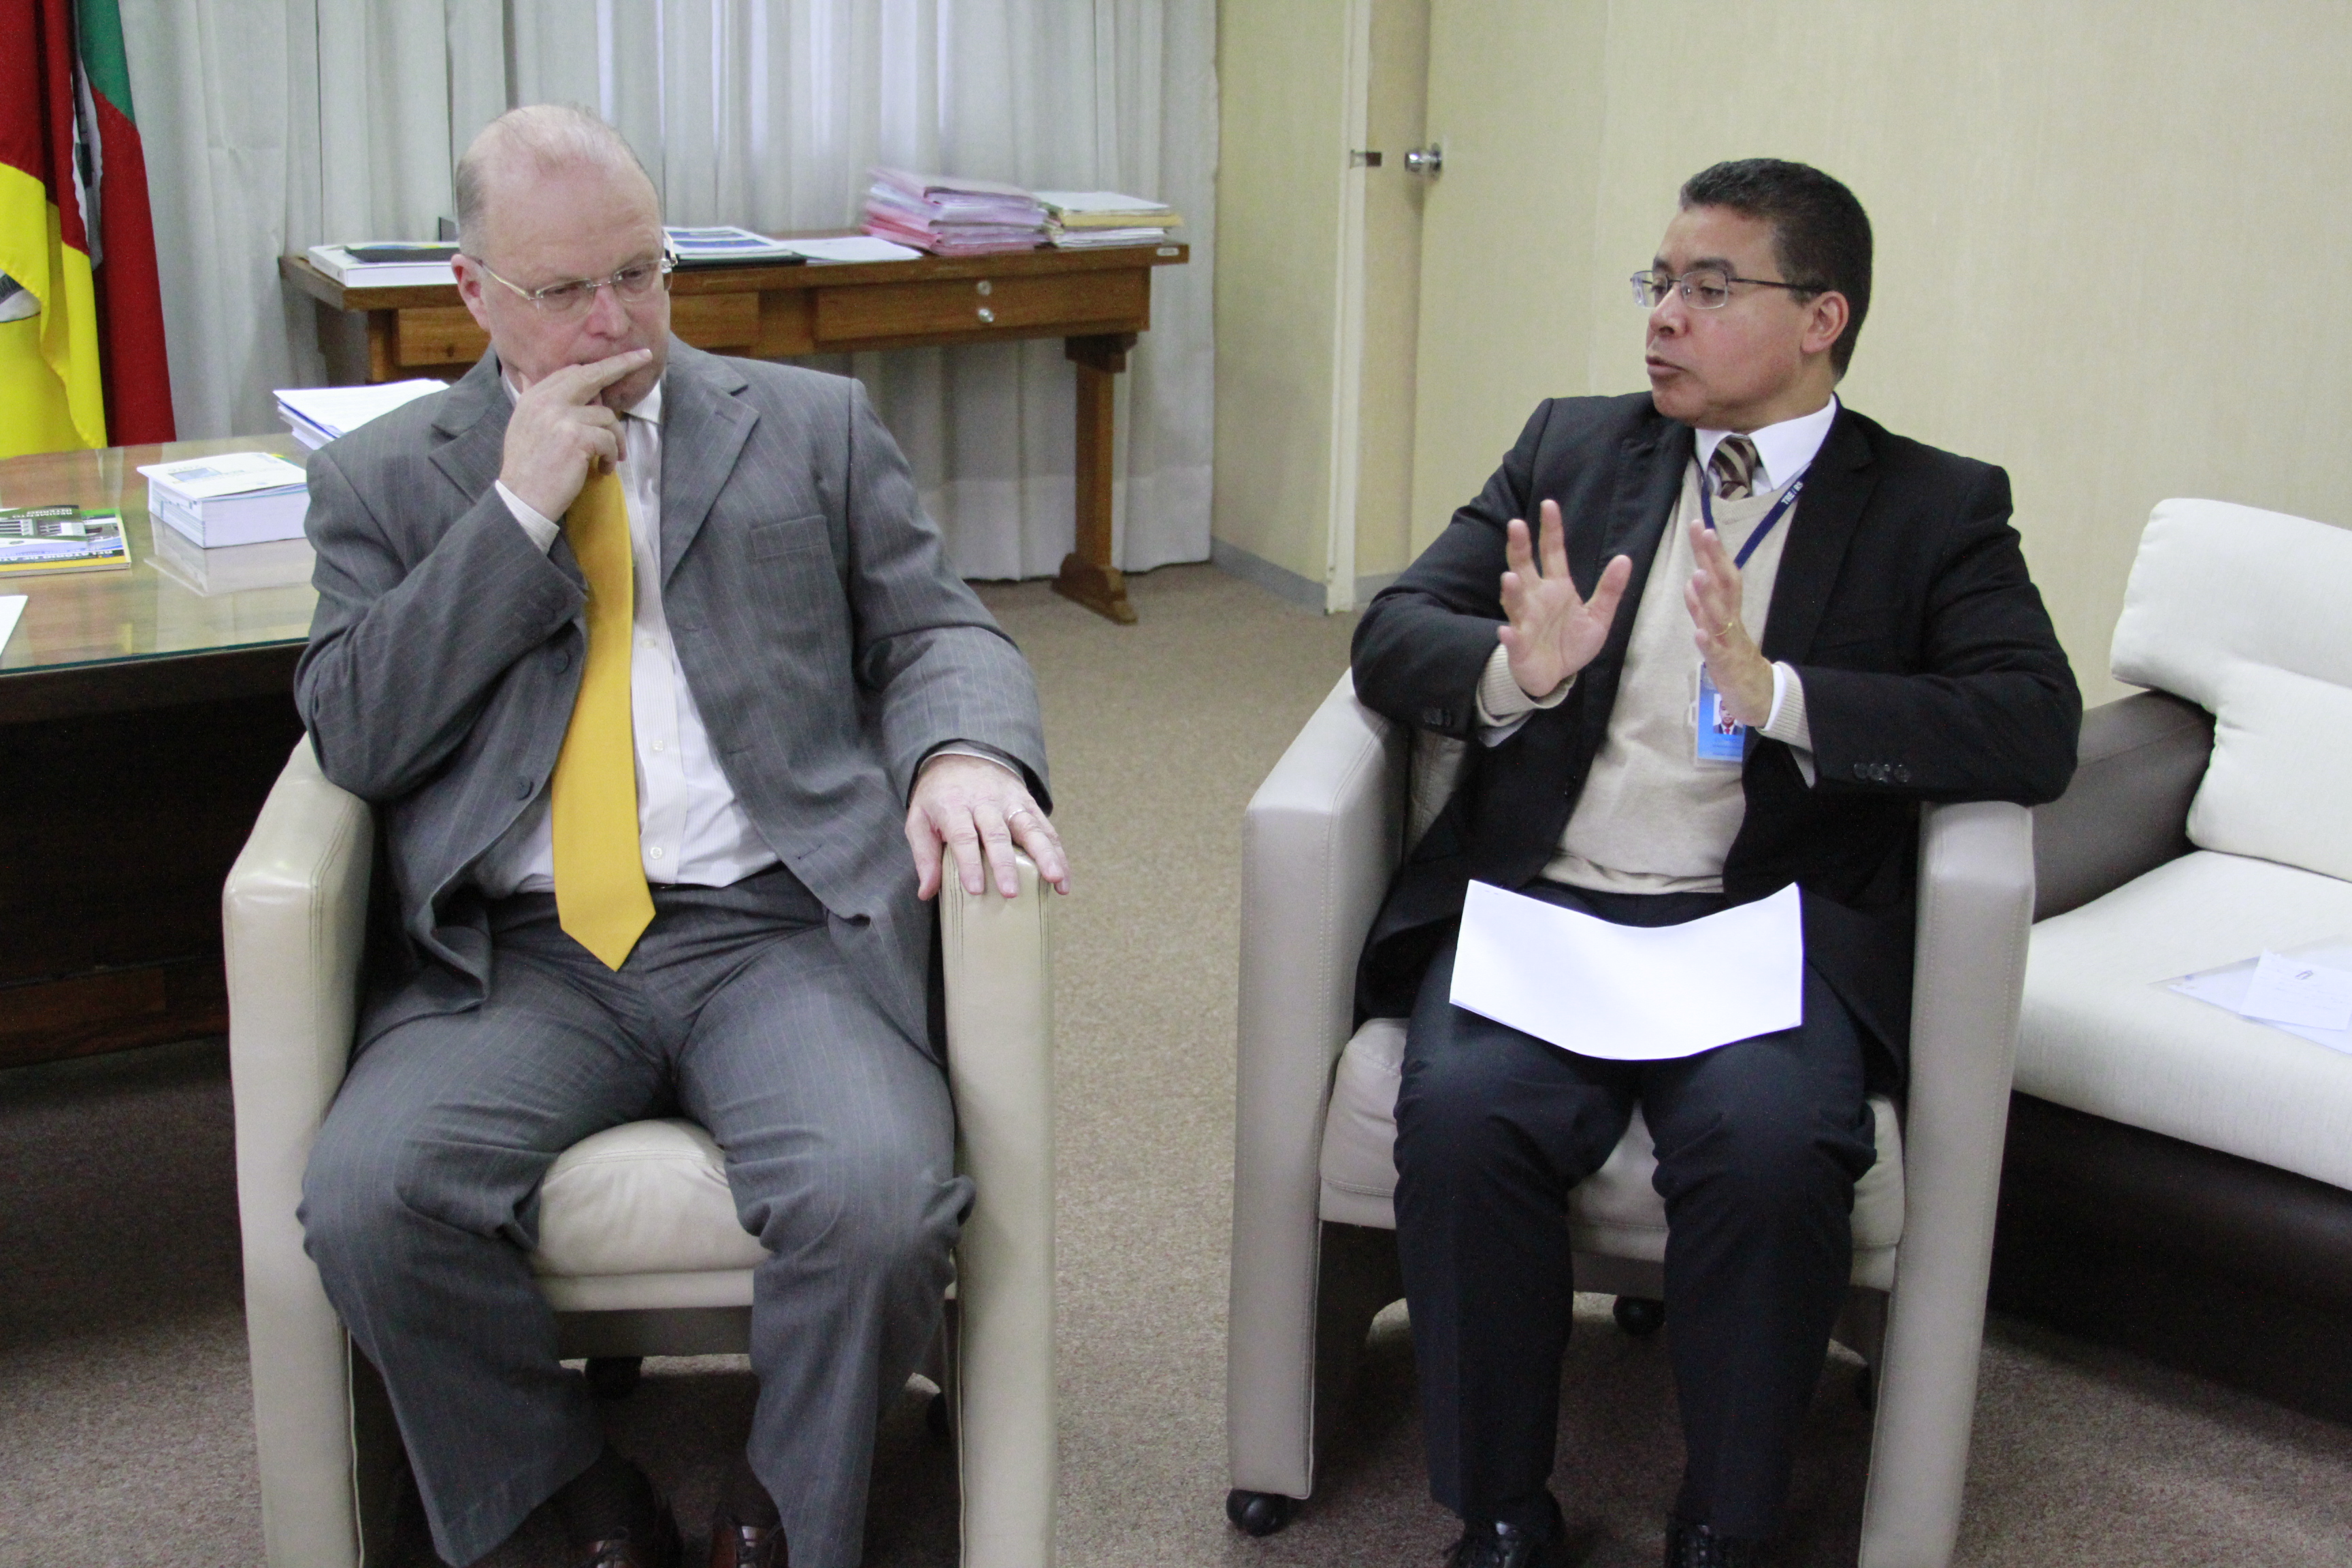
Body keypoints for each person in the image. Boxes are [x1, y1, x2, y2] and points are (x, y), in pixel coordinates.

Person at [293, 105, 1067, 1568]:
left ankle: (779, 1517)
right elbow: (359, 735)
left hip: (774, 926)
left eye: (640, 273)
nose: (617, 321)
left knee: (879, 1200)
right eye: (563, 290)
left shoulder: (811, 427)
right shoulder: (385, 480)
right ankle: (569, 1503)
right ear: (473, 292)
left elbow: (936, 631)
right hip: (520, 954)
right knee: (370, 1199)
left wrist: (965, 748)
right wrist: (516, 514)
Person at [1348, 159, 2078, 1568]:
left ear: (1821, 319)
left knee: (1773, 1150)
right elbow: (1394, 630)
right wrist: (1512, 671)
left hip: (1762, 930)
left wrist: (1782, 697)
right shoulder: (1573, 447)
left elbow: (2034, 724)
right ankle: (1499, 1514)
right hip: (1552, 905)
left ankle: (1726, 1530)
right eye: (1659, 282)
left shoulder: (1934, 506)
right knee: (1464, 1121)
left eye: (1710, 287)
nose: (1664, 316)